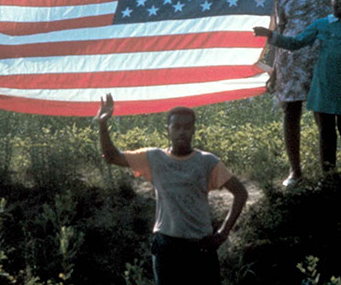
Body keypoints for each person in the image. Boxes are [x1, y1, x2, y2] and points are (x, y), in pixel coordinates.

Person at [96, 94, 248, 285]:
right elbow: (111, 157)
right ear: (167, 130)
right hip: (167, 247)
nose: (182, 132)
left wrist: (223, 233)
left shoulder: (208, 162)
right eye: (176, 127)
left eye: (187, 127)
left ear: (194, 130)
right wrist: (102, 123)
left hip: (200, 246)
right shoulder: (154, 158)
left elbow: (240, 192)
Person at [255, 0, 341, 173]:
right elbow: (295, 43)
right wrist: (271, 35)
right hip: (323, 88)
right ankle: (328, 176)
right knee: (326, 133)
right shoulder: (321, 25)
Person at [266, 0, 332, 187]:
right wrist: (274, 70)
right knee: (291, 112)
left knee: (323, 114)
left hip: (319, 56)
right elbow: (279, 32)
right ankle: (295, 171)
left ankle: (328, 172)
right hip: (291, 61)